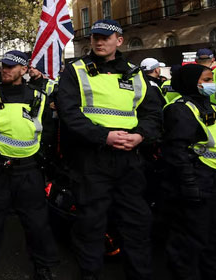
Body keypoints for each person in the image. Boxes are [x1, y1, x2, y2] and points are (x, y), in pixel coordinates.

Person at [56, 19, 162, 280]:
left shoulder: (135, 73)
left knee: (137, 223)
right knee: (90, 224)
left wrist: (140, 135)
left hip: (130, 158)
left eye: (105, 37)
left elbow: (152, 113)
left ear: (119, 40)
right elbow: (70, 114)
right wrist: (104, 136)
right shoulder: (75, 70)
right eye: (95, 37)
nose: (99, 42)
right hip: (93, 159)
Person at [0, 51, 58, 280]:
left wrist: (40, 158)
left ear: (23, 69)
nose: (5, 70)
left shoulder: (38, 96)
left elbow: (48, 130)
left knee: (37, 222)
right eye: (3, 66)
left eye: (11, 67)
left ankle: (42, 266)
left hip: (29, 170)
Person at [161, 64, 216, 279]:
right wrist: (190, 184)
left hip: (210, 179)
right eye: (207, 80)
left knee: (210, 238)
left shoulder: (208, 105)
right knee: (191, 240)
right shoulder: (181, 109)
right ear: (193, 82)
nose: (211, 84)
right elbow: (177, 152)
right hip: (196, 181)